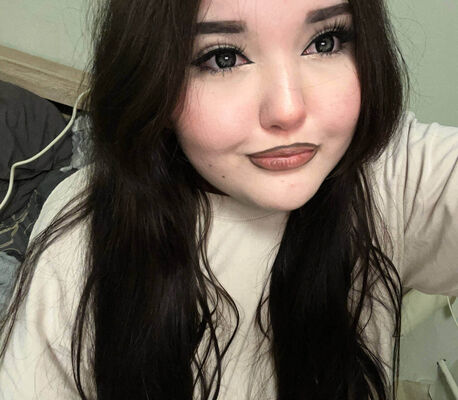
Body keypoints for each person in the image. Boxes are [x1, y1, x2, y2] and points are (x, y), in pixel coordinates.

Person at [0, 0, 457, 398]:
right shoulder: (81, 238)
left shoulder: (388, 171)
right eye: (223, 58)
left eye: (325, 42)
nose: (287, 110)